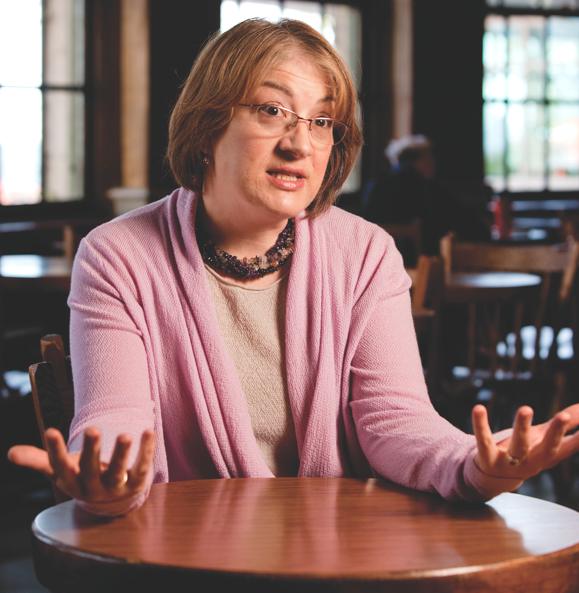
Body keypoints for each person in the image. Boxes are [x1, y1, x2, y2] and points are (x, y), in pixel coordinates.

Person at [8, 18, 579, 517]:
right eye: (272, 110)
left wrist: (473, 465)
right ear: (208, 126)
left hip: (340, 556)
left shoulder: (366, 253)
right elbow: (116, 416)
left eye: (322, 120)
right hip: (186, 561)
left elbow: (395, 419)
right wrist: (110, 476)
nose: (299, 144)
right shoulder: (119, 254)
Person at [364, 135, 491, 259]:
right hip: (419, 260)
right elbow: (460, 216)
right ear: (420, 160)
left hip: (378, 259)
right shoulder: (424, 185)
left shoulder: (375, 184)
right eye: (430, 157)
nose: (434, 163)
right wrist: (486, 233)